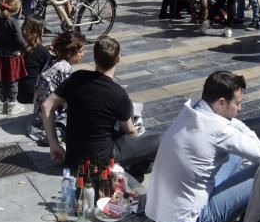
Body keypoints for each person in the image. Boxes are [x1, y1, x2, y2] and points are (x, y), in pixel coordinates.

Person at [145, 71, 260, 222]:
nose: (240, 108)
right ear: (222, 103)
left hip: (159, 210)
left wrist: (253, 140)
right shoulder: (219, 131)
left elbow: (236, 126)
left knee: (236, 154)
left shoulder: (193, 109)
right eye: (237, 103)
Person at [42, 35, 161, 178]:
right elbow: (131, 133)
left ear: (95, 58)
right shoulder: (118, 93)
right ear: (118, 59)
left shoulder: (77, 77)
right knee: (161, 139)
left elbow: (47, 105)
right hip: (99, 161)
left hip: (73, 157)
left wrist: (53, 144)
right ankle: (139, 165)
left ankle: (138, 165)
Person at [28, 31, 85, 144]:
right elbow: (69, 99)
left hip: (40, 110)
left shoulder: (54, 61)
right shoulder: (64, 68)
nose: (83, 54)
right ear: (69, 53)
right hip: (50, 114)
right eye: (80, 51)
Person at [0, 0, 27, 115]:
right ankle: (12, 105)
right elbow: (20, 41)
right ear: (16, 9)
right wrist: (25, 47)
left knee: (2, 81)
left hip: (0, 56)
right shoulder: (14, 22)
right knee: (12, 82)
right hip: (13, 57)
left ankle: (2, 105)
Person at [17, 17, 51, 104]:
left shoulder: (19, 46)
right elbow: (49, 71)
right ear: (38, 31)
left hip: (19, 92)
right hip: (32, 95)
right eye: (43, 28)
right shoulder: (42, 52)